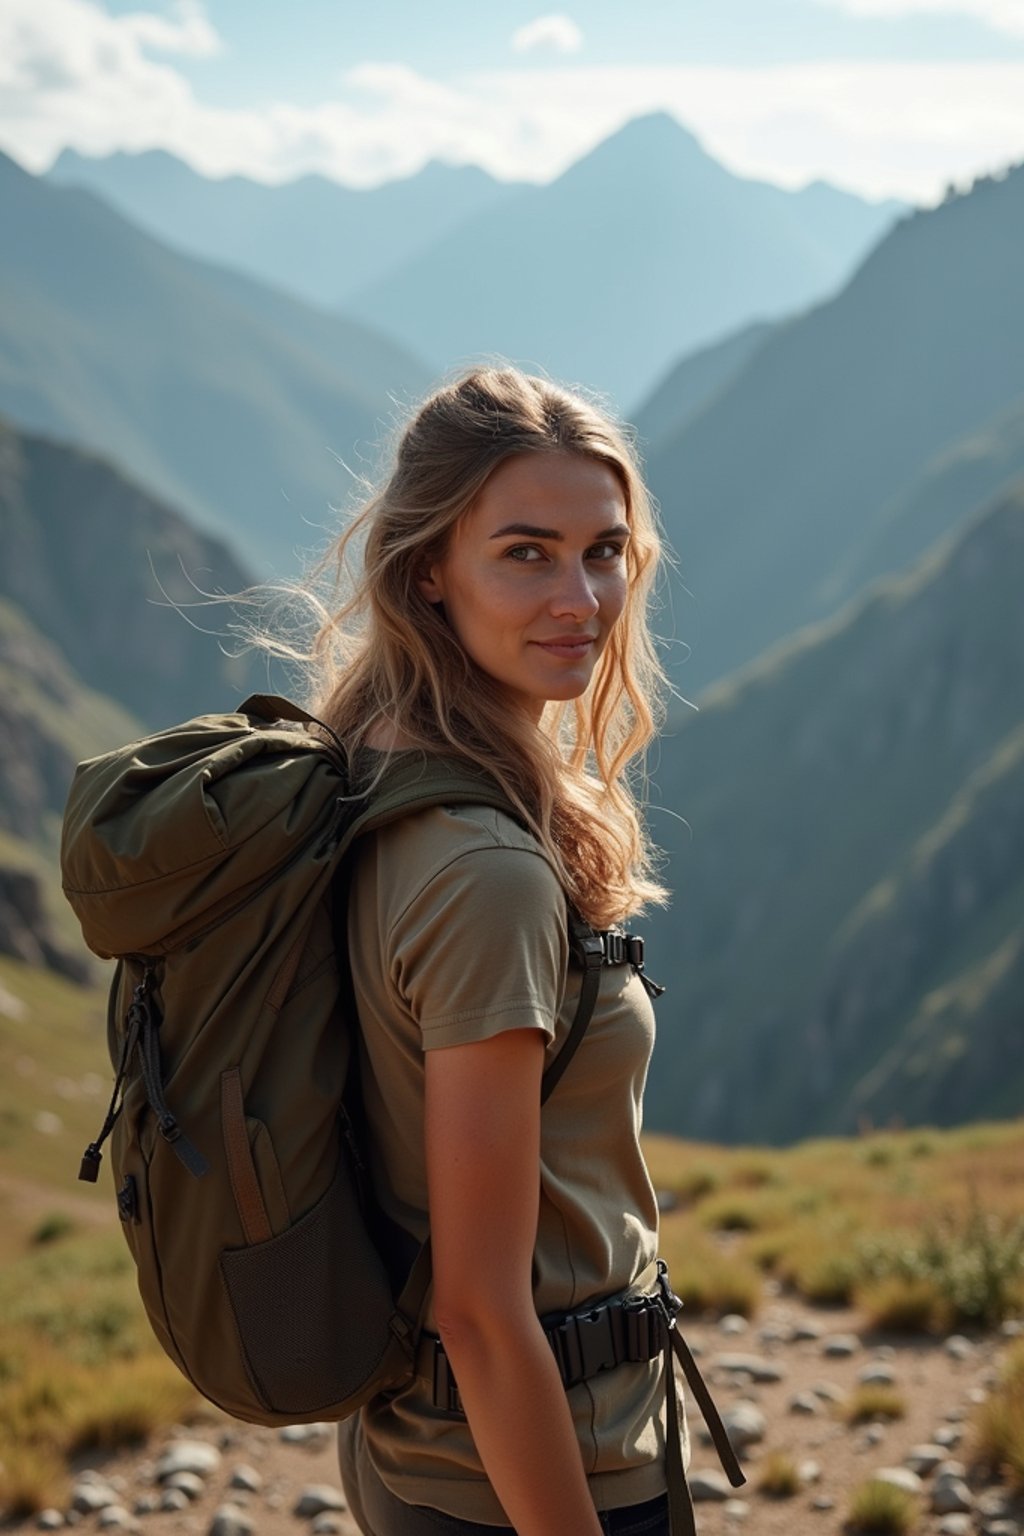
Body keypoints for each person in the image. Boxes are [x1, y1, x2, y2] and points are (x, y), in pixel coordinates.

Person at [306, 366, 680, 1536]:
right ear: (430, 570)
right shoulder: (487, 874)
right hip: (531, 1471)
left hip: (418, 1451)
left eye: (604, 550)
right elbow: (479, 1306)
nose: (581, 596)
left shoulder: (365, 764)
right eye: (526, 552)